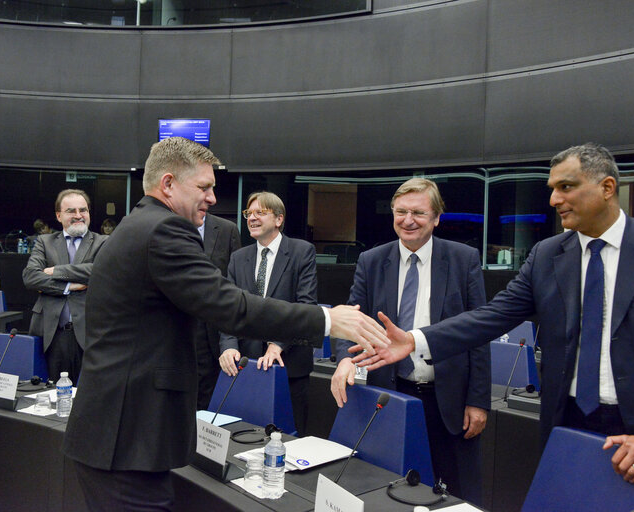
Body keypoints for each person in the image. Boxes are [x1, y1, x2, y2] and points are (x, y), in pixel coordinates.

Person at [61, 137, 390, 512]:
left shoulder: (137, 226)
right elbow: (230, 307)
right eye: (204, 187)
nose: (214, 198)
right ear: (167, 184)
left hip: (117, 435)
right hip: (126, 441)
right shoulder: (164, 231)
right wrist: (328, 319)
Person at [353, 143, 634, 484]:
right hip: (566, 422)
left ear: (607, 188)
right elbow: (491, 316)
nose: (553, 200)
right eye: (552, 189)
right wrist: (415, 340)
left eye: (566, 187)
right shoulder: (548, 255)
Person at [330, 178, 490, 503]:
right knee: (388, 487)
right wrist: (345, 358)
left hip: (448, 400)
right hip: (390, 394)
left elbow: (479, 333)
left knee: (454, 494)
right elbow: (351, 319)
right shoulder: (372, 261)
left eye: (418, 212)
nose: (408, 220)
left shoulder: (464, 260)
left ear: (436, 218)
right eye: (400, 211)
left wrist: (477, 400)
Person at [219, 191, 317, 435]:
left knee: (289, 441)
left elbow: (306, 306)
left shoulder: (301, 252)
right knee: (245, 437)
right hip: (246, 367)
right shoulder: (238, 258)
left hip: (289, 367)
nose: (251, 218)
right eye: (248, 213)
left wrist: (278, 345)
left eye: (260, 213)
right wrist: (228, 345)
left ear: (278, 219)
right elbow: (228, 309)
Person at [22, 189, 108, 385]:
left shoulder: (104, 242)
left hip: (90, 334)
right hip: (52, 334)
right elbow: (30, 277)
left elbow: (101, 270)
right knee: (48, 394)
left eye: (83, 210)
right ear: (59, 216)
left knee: (88, 396)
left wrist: (58, 271)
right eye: (71, 211)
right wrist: (69, 286)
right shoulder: (45, 242)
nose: (78, 215)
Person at [195, 212, 241, 410]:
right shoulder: (166, 225)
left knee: (208, 404)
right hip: (174, 332)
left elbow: (235, 284)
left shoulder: (226, 229)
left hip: (213, 332)